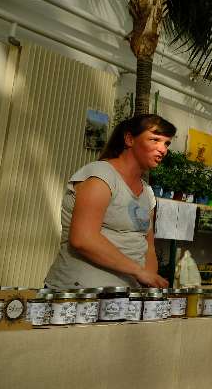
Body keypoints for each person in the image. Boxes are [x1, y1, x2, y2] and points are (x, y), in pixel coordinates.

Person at [44, 113, 175, 290]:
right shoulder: (101, 176)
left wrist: (148, 284)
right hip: (81, 294)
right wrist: (138, 271)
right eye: (155, 140)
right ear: (130, 139)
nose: (163, 149)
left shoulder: (148, 193)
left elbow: (148, 247)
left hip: (126, 297)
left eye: (166, 143)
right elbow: (83, 238)